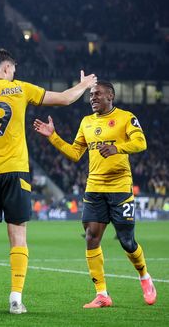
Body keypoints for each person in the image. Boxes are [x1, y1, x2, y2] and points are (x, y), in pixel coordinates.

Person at [0, 48, 97, 314]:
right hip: (17, 172)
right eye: (14, 70)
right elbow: (65, 99)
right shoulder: (19, 89)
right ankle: (15, 298)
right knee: (18, 234)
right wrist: (84, 84)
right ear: (7, 68)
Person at [33, 81, 157, 308]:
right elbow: (74, 153)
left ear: (111, 96)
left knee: (127, 241)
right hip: (95, 187)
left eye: (97, 94)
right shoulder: (86, 122)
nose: (92, 98)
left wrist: (118, 148)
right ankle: (102, 294)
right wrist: (53, 136)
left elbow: (141, 142)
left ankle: (144, 277)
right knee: (91, 237)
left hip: (120, 187)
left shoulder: (126, 117)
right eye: (90, 95)